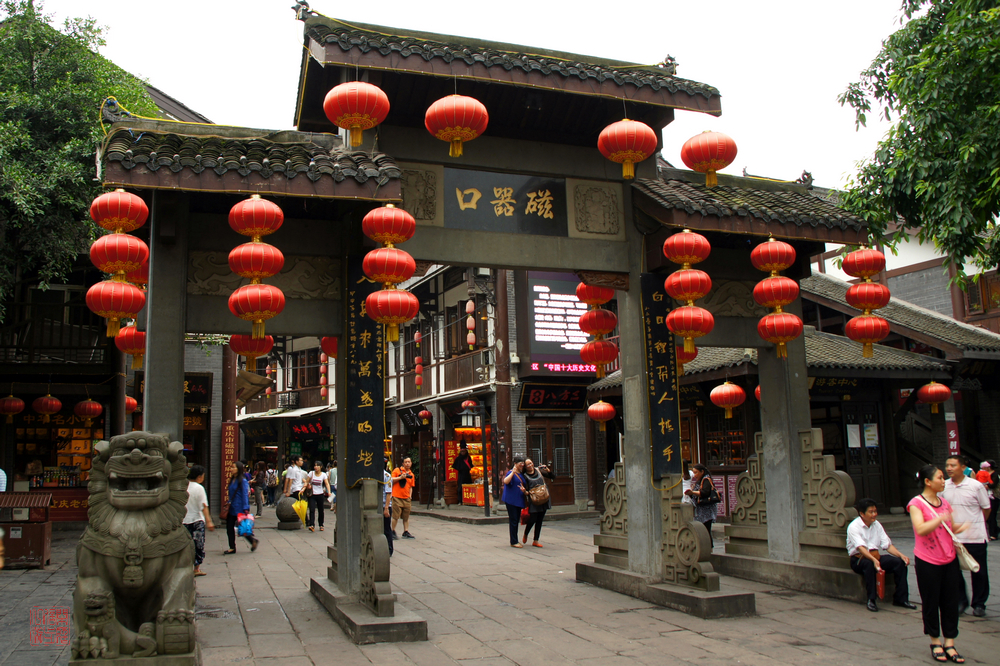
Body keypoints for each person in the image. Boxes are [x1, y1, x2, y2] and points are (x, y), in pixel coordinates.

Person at [908, 464, 968, 664]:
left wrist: (966, 526)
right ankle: (935, 641)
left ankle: (949, 643)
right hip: (927, 561)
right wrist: (940, 518)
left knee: (951, 602)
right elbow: (921, 528)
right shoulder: (916, 503)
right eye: (940, 478)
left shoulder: (944, 503)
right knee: (931, 602)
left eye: (943, 478)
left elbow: (949, 527)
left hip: (949, 559)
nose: (944, 481)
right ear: (927, 481)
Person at [941, 455, 990, 618]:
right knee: (953, 571)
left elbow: (986, 508)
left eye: (953, 465)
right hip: (953, 537)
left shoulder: (976, 486)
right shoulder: (944, 486)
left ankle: (979, 603)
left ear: (963, 467)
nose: (949, 468)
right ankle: (961, 600)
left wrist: (976, 524)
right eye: (947, 465)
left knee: (979, 570)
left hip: (975, 536)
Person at [846, 498, 916, 612]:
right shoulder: (854, 527)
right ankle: (871, 600)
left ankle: (901, 599)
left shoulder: (877, 524)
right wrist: (874, 560)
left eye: (875, 511)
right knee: (869, 565)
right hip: (859, 559)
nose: (874, 514)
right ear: (862, 514)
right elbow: (861, 548)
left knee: (899, 563)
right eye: (871, 512)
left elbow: (887, 545)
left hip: (876, 557)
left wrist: (901, 555)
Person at [183, 465, 215, 576]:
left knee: (185, 544)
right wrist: (209, 521)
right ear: (200, 476)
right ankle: (196, 568)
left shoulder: (183, 486)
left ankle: (184, 566)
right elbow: (204, 506)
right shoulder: (199, 488)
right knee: (198, 544)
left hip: (184, 520)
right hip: (197, 520)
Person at [224, 461, 259, 554]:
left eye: (233, 467)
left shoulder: (242, 480)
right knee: (229, 527)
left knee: (243, 528)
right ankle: (232, 547)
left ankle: (252, 541)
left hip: (239, 508)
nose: (231, 469)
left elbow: (244, 494)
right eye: (231, 467)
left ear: (238, 469)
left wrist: (246, 508)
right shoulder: (232, 479)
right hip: (232, 507)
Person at [521, 458, 554, 547]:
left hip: (544, 498)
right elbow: (526, 489)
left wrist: (548, 471)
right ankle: (526, 533)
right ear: (525, 466)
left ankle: (536, 540)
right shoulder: (525, 476)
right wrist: (525, 492)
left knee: (540, 520)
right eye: (528, 464)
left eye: (531, 463)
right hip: (534, 499)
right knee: (533, 519)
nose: (530, 465)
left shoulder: (538, 471)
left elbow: (552, 477)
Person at [684, 464, 718, 548]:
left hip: (706, 510)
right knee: (702, 530)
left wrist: (692, 493)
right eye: (694, 473)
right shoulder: (700, 481)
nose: (695, 475)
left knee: (706, 530)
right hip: (700, 510)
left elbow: (705, 493)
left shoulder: (706, 480)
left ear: (702, 472)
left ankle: (709, 548)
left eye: (696, 473)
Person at [502, 457, 527, 548]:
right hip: (511, 500)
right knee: (514, 520)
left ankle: (515, 540)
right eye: (520, 463)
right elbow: (505, 481)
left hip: (517, 500)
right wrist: (513, 472)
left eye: (523, 463)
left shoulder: (521, 473)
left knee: (516, 520)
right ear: (515, 463)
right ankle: (514, 541)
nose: (522, 464)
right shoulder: (511, 472)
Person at [391, 457, 416, 539]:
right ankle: (392, 531)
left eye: (409, 462)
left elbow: (411, 486)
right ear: (403, 463)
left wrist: (410, 496)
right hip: (397, 497)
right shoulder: (397, 471)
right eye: (406, 462)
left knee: (406, 516)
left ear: (411, 463)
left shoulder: (411, 475)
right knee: (395, 516)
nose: (407, 463)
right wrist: (400, 478)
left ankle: (406, 531)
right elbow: (391, 480)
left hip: (406, 498)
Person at [305, 460, 331, 532]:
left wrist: (329, 492)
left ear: (321, 467)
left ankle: (321, 524)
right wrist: (306, 486)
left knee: (321, 510)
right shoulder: (311, 473)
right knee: (312, 509)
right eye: (315, 465)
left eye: (317, 466)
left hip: (320, 494)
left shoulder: (323, 474)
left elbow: (326, 483)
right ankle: (312, 525)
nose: (315, 467)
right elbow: (307, 482)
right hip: (312, 494)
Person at [382, 456, 393, 557]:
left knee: (386, 528)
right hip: (377, 505)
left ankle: (389, 548)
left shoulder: (386, 476)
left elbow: (388, 493)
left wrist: (386, 508)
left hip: (385, 505)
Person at [986, 460, 999, 541]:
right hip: (986, 496)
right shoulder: (984, 474)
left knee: (992, 515)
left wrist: (986, 485)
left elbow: (993, 485)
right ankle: (996, 529)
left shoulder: (995, 474)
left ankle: (993, 534)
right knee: (988, 516)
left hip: (994, 497)